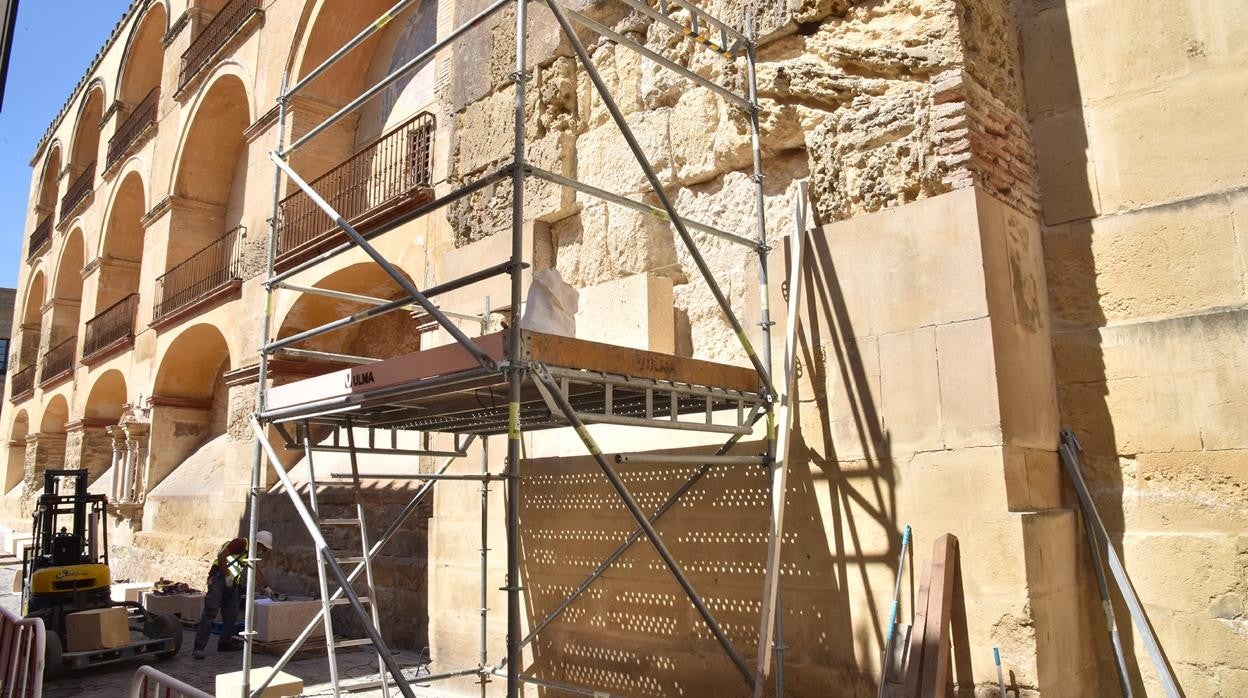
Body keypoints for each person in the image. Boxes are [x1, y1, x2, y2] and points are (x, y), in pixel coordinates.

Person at [193, 530, 275, 659]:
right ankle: (199, 647)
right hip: (220, 578)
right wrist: (227, 576)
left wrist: (266, 587)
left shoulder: (250, 553)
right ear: (258, 543)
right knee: (210, 611)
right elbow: (222, 556)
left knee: (231, 614)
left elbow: (255, 570)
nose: (263, 551)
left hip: (232, 583)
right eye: (263, 548)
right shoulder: (241, 543)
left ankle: (224, 643)